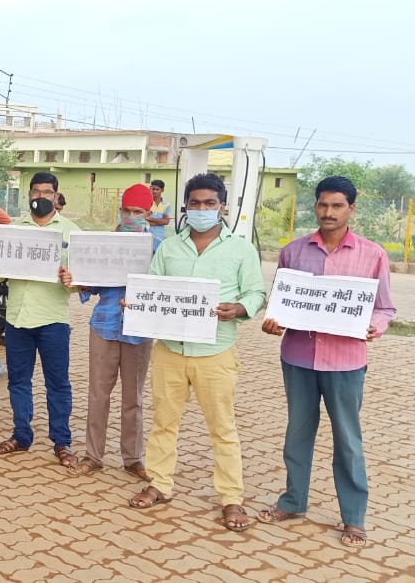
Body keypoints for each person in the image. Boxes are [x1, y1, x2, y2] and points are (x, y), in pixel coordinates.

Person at [257, 175, 395, 548]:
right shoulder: (293, 251)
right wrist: (274, 322)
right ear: (314, 206)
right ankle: (292, 502)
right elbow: (283, 303)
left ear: (352, 208)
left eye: (337, 205)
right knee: (297, 434)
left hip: (346, 361)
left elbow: (384, 307)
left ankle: (353, 517)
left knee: (347, 440)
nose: (328, 212)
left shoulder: (373, 254)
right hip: (298, 356)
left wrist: (374, 326)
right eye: (322, 204)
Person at [127, 173, 265, 533]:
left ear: (223, 207)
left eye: (209, 203)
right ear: (185, 206)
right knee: (164, 423)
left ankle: (231, 498)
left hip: (215, 353)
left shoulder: (241, 249)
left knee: (222, 429)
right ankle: (159, 483)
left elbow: (256, 294)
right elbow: (154, 287)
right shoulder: (170, 247)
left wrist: (238, 308)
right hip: (170, 351)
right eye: (195, 203)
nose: (202, 209)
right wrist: (137, 302)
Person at [0, 172, 81, 468]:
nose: (41, 196)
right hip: (17, 319)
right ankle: (21, 435)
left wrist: (71, 280)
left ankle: (62, 442)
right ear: (28, 195)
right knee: (18, 382)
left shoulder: (71, 232)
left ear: (56, 196)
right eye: (35, 191)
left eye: (47, 192)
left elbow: (80, 283)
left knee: (58, 383)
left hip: (53, 319)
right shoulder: (14, 230)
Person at [71, 184, 156, 480]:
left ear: (149, 212)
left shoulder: (158, 247)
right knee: (98, 394)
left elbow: (164, 287)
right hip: (105, 325)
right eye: (127, 211)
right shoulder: (104, 243)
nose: (132, 216)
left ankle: (133, 458)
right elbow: (91, 283)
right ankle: (93, 455)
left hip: (139, 331)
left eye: (138, 212)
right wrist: (83, 284)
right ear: (120, 211)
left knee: (134, 397)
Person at [147, 180, 172, 248]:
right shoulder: (146, 203)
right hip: (146, 236)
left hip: (160, 238)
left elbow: (166, 222)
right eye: (153, 189)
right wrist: (160, 221)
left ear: (162, 190)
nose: (154, 191)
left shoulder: (166, 205)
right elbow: (144, 221)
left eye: (157, 189)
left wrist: (150, 219)